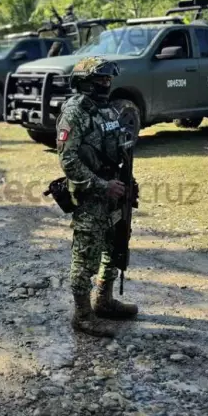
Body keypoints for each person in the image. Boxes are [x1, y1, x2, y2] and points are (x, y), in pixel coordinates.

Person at [56, 56, 138, 338]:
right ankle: (82, 316)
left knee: (114, 245)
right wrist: (102, 186)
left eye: (108, 79)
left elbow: (119, 150)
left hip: (114, 190)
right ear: (84, 82)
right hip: (91, 195)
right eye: (100, 79)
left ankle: (104, 300)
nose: (106, 83)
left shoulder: (108, 111)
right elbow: (68, 161)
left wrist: (128, 183)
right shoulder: (74, 113)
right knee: (85, 255)